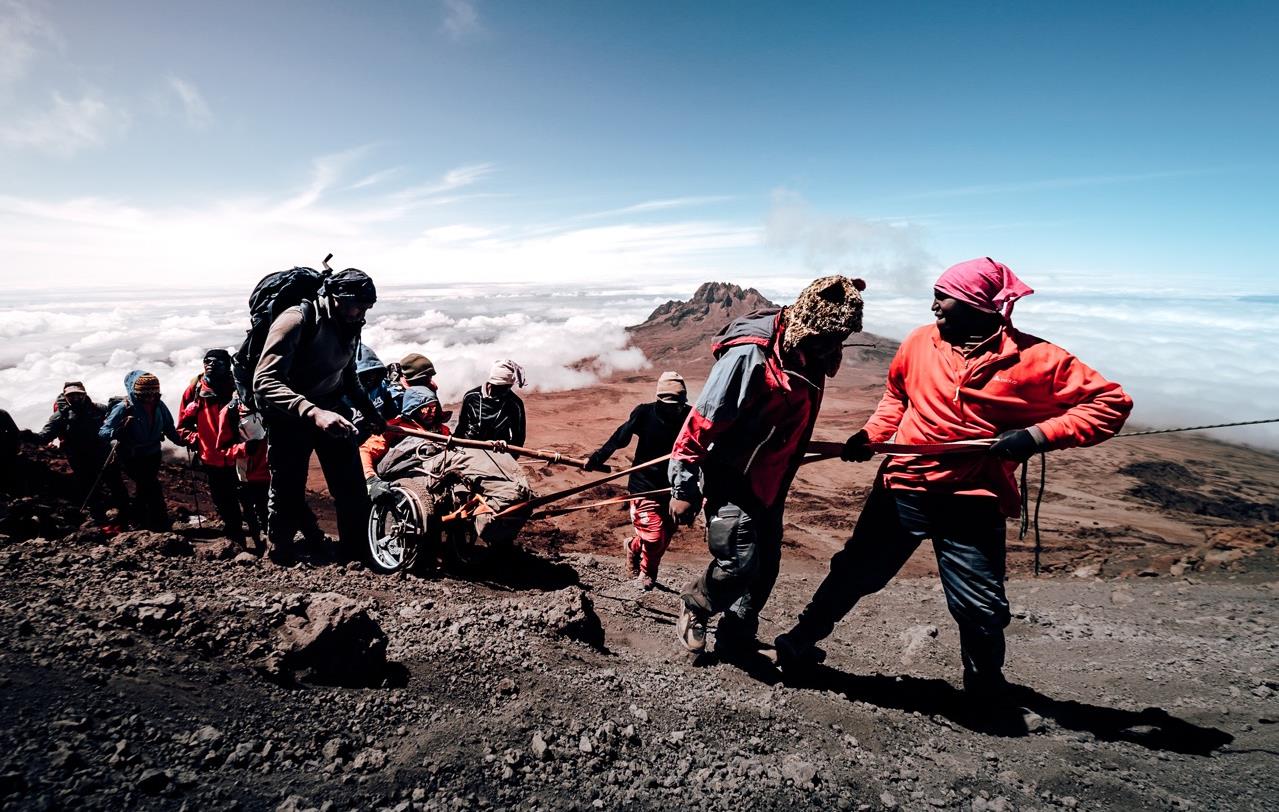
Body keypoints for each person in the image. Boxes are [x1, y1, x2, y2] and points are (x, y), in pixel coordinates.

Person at [775, 258, 1133, 701]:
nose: (933, 306)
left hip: (973, 498)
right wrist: (871, 435)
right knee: (854, 573)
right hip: (902, 486)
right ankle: (798, 642)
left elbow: (1110, 403)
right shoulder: (918, 343)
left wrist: (1036, 436)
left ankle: (984, 686)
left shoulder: (1037, 360)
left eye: (944, 298)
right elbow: (896, 397)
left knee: (980, 604)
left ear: (977, 304)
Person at [669, 276, 866, 655]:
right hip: (733, 476)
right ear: (808, 323)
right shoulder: (750, 356)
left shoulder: (813, 352)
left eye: (838, 339)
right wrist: (684, 486)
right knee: (739, 561)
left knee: (766, 566)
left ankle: (736, 635)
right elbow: (702, 421)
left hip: (772, 481)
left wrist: (848, 446)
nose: (833, 347)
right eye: (828, 337)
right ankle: (696, 604)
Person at [252, 267, 385, 565]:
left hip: (332, 412)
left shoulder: (350, 322)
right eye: (357, 305)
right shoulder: (297, 320)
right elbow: (263, 381)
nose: (362, 313)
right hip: (290, 417)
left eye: (367, 307)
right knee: (287, 490)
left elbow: (347, 374)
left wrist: (369, 411)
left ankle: (358, 556)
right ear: (335, 297)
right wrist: (312, 411)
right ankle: (279, 555)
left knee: (351, 489)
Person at [585, 371, 692, 590]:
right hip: (643, 487)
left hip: (674, 489)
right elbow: (620, 437)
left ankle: (633, 546)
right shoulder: (645, 413)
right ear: (659, 399)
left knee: (665, 536)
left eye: (678, 403)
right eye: (670, 403)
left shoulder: (691, 417)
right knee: (654, 537)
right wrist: (597, 459)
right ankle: (647, 573)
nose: (675, 408)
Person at [99, 370, 188, 531]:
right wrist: (116, 433)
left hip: (153, 454)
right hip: (131, 456)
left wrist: (181, 441)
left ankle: (141, 521)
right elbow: (103, 431)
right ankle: (159, 523)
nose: (150, 397)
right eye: (145, 394)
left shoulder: (159, 405)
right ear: (135, 392)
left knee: (144, 487)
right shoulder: (123, 408)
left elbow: (168, 427)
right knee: (151, 486)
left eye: (154, 393)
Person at [178, 349, 248, 545]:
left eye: (216, 362)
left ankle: (256, 532)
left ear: (227, 365)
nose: (210, 365)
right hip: (211, 455)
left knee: (247, 495)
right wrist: (196, 440)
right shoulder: (194, 390)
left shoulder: (238, 387)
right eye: (207, 361)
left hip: (239, 454)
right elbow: (182, 425)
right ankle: (234, 534)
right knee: (222, 497)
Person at [37, 381, 126, 523]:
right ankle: (99, 519)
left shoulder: (97, 409)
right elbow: (45, 435)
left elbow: (113, 418)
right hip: (80, 458)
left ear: (84, 394)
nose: (76, 398)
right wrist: (30, 437)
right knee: (90, 487)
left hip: (103, 454)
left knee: (115, 484)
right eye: (71, 396)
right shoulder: (61, 416)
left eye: (79, 395)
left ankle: (124, 513)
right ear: (65, 397)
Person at [361, 385, 452, 502]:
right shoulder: (395, 428)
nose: (431, 413)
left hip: (440, 470)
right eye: (425, 408)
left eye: (433, 407)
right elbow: (365, 450)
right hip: (407, 475)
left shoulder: (442, 430)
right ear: (413, 409)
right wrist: (371, 480)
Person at [456, 360, 526, 446]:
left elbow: (518, 438)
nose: (505, 391)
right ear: (492, 383)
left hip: (498, 452)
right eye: (502, 387)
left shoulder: (515, 404)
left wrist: (509, 456)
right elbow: (461, 427)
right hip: (470, 448)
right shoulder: (471, 397)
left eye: (508, 387)